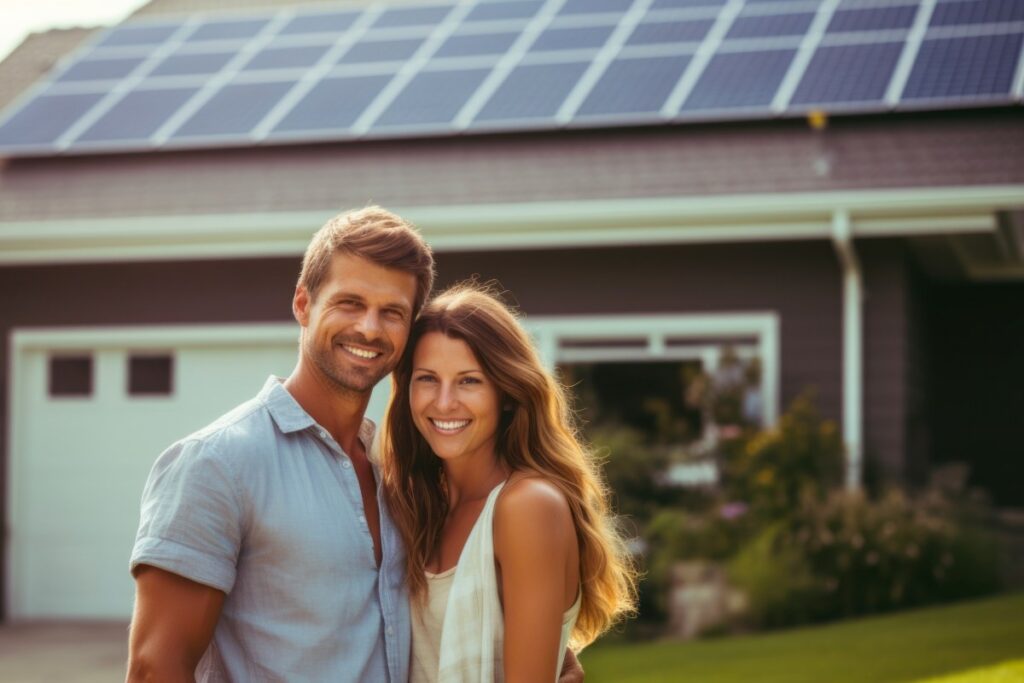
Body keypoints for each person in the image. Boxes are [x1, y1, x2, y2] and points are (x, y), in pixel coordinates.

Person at [126, 207, 584, 682]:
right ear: (303, 304)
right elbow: (153, 668)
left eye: (392, 312)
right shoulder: (219, 464)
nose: (369, 328)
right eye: (350, 302)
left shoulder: (400, 479)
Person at [381, 283, 638, 683]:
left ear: (506, 391)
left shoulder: (528, 506)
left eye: (469, 381)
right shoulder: (420, 505)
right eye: (428, 379)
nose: (444, 402)